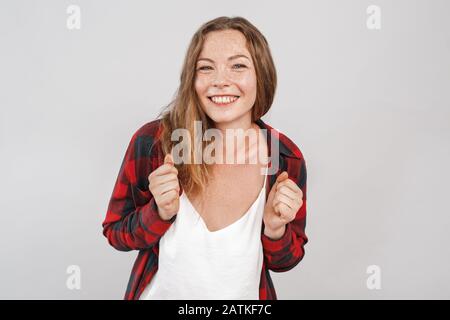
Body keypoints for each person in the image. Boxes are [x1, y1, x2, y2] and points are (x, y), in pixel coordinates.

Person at [102, 16, 308, 300]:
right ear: (192, 79)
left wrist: (275, 228)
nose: (220, 81)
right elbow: (116, 233)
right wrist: (158, 212)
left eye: (238, 66)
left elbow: (285, 261)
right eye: (206, 68)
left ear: (261, 75)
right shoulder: (155, 143)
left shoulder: (285, 157)